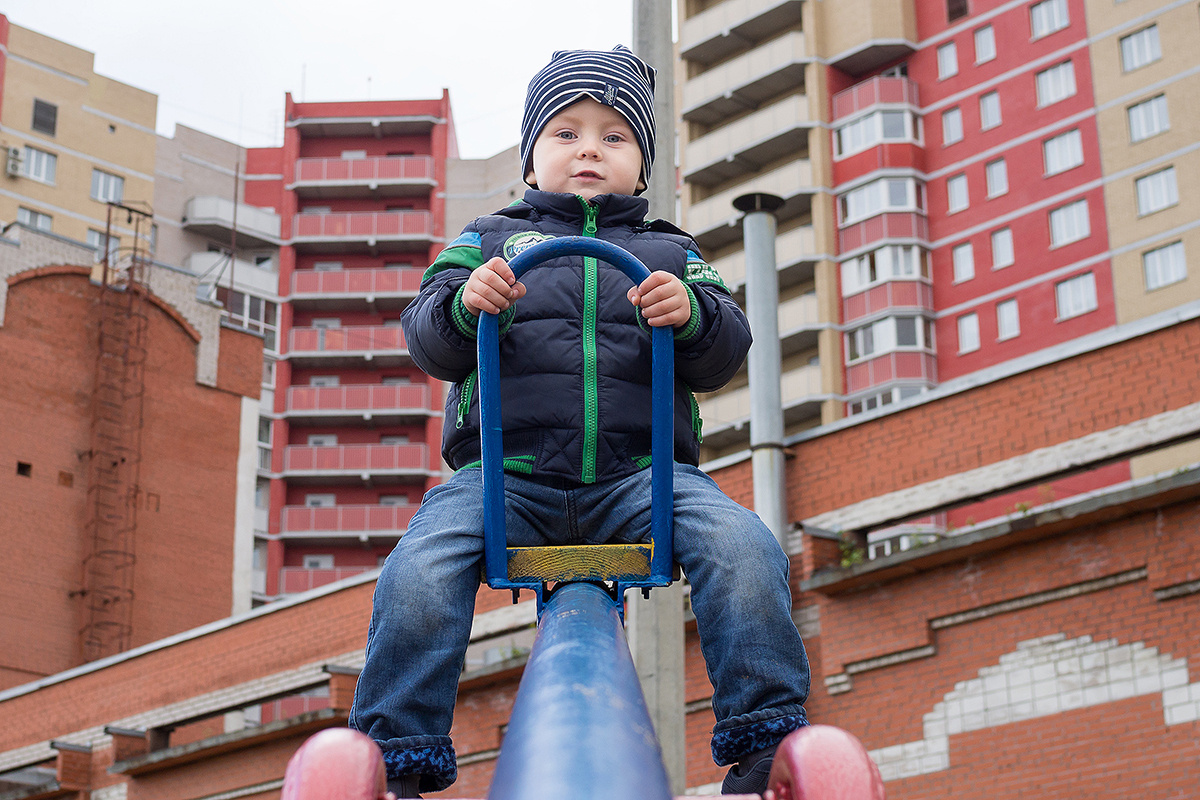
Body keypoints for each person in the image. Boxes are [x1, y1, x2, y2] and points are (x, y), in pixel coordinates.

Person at [349, 45, 811, 798]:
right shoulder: (488, 240)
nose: (590, 148)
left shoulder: (671, 249)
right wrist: (466, 304)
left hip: (643, 479)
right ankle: (397, 753)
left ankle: (764, 739)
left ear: (643, 165)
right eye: (566, 133)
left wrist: (690, 313)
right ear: (532, 159)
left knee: (744, 547)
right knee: (419, 573)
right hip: (507, 480)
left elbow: (726, 347)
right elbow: (427, 335)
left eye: (614, 135)